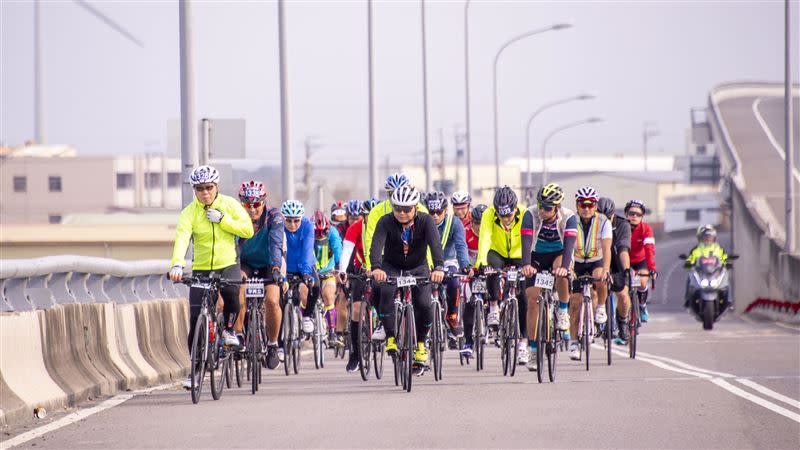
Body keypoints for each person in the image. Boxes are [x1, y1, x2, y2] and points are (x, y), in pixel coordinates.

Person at [169, 165, 254, 389]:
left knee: (232, 293)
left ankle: (228, 330)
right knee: (196, 318)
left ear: (217, 187)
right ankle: (195, 371)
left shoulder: (229, 205)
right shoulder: (189, 213)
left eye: (209, 188)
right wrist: (177, 264)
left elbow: (247, 230)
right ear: (194, 190)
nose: (205, 193)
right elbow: (182, 238)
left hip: (228, 263)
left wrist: (223, 220)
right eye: (200, 189)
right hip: (202, 267)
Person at [369, 185, 445, 372]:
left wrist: (439, 267)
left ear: (416, 208)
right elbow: (376, 246)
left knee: (424, 303)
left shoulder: (426, 221)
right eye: (398, 209)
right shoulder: (385, 221)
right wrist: (377, 268)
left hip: (418, 267)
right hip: (391, 267)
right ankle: (391, 338)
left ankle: (420, 344)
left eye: (407, 209)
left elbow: (435, 246)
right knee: (384, 292)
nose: (402, 213)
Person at [474, 185, 535, 365]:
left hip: (519, 254)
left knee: (524, 297)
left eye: (508, 215)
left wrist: (528, 264)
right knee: (491, 268)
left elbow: (530, 240)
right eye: (502, 215)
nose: (506, 219)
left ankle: (523, 344)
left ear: (515, 208)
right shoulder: (488, 214)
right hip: (498, 252)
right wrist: (481, 263)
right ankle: (493, 306)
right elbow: (484, 238)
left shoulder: (526, 214)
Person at [523, 183, 577, 371]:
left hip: (559, 254)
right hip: (536, 256)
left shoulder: (569, 217)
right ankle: (532, 349)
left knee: (561, 272)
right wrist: (526, 265)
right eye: (540, 205)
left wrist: (565, 268)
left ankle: (562, 310)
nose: (542, 211)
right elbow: (527, 241)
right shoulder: (530, 214)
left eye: (547, 208)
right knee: (532, 301)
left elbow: (570, 245)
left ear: (557, 207)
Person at [237, 180, 285, 369]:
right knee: (237, 287)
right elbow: (233, 246)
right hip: (245, 262)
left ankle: (272, 344)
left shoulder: (274, 217)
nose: (252, 209)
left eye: (256, 204)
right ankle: (239, 335)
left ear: (264, 202)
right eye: (247, 205)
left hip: (268, 263)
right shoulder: (236, 217)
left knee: (273, 300)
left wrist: (275, 268)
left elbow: (276, 243)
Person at [567, 186, 613, 361]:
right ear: (577, 205)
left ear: (595, 205)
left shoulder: (603, 221)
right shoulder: (570, 220)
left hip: (596, 259)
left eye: (590, 204)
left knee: (601, 277)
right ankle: (573, 342)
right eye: (582, 204)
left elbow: (607, 248)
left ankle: (600, 307)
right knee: (575, 302)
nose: (586, 208)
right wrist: (569, 267)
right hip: (577, 261)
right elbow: (568, 246)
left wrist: (607, 270)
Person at [425, 191, 472, 346]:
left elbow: (461, 245)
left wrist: (465, 265)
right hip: (426, 261)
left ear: (445, 210)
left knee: (454, 283)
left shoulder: (454, 222)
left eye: (439, 212)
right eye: (431, 212)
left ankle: (452, 315)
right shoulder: (420, 222)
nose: (435, 216)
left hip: (448, 261)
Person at [337, 198, 379, 372]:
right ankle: (355, 354)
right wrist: (342, 271)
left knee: (387, 299)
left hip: (381, 269)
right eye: (367, 216)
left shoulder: (384, 226)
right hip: (360, 269)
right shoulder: (355, 228)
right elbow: (347, 250)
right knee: (355, 310)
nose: (370, 218)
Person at [597, 197, 633, 346]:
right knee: (593, 291)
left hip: (617, 260)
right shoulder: (592, 223)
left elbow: (623, 249)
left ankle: (623, 321)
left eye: (608, 217)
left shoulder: (623, 225)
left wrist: (626, 270)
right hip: (599, 260)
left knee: (623, 295)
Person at [281, 200, 317, 338]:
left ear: (301, 218)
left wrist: (307, 273)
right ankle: (280, 346)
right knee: (280, 302)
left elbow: (307, 251)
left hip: (305, 264)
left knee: (315, 286)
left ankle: (307, 316)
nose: (292, 225)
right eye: (288, 221)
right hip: (286, 265)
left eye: (296, 221)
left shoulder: (307, 225)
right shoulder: (279, 226)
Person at [312, 210, 342, 346]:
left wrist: (339, 269)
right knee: (303, 294)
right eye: (316, 234)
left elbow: (338, 251)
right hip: (311, 270)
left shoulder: (333, 233)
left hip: (327, 271)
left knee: (328, 296)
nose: (319, 237)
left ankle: (332, 332)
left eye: (322, 233)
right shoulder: (307, 232)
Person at [624, 199, 658, 322]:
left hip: (640, 261)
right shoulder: (621, 227)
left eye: (638, 214)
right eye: (631, 213)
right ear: (626, 214)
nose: (634, 217)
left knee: (642, 283)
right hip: (624, 260)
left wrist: (652, 269)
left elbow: (649, 249)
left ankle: (642, 305)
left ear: (642, 216)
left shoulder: (646, 229)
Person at [683, 224, 729, 308]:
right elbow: (691, 258)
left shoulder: (718, 249)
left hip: (714, 272)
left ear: (714, 238)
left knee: (726, 281)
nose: (708, 239)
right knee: (690, 278)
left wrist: (727, 262)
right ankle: (687, 299)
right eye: (706, 237)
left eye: (710, 237)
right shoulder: (697, 249)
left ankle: (728, 300)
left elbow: (723, 258)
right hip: (702, 273)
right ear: (701, 238)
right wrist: (688, 262)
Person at [452, 191, 479, 264]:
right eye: (456, 209)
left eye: (463, 208)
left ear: (469, 206)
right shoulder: (450, 222)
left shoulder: (476, 219)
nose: (459, 212)